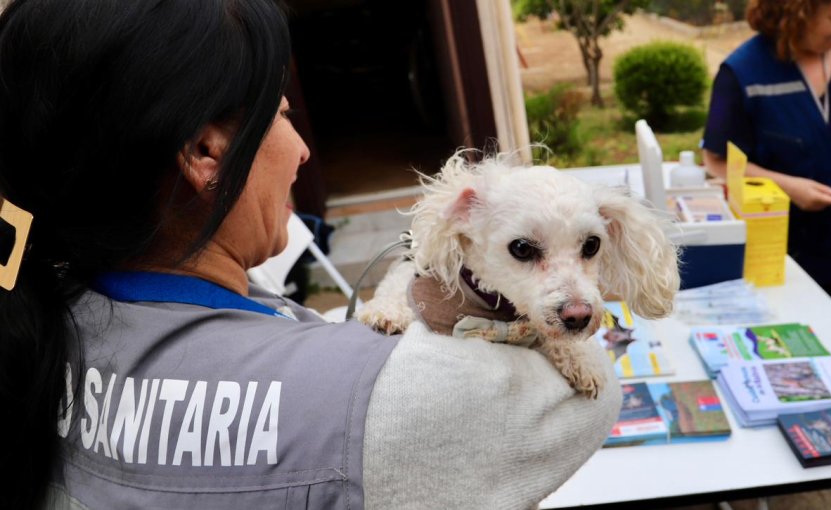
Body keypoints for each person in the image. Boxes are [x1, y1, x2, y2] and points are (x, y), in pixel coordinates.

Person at [0, 1, 622, 509]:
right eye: (280, 113)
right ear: (204, 152)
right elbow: (592, 394)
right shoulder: (396, 399)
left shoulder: (43, 327)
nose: (301, 150)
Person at [701, 0, 831, 334]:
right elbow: (717, 160)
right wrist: (787, 186)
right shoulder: (743, 72)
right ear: (795, 17)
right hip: (784, 256)